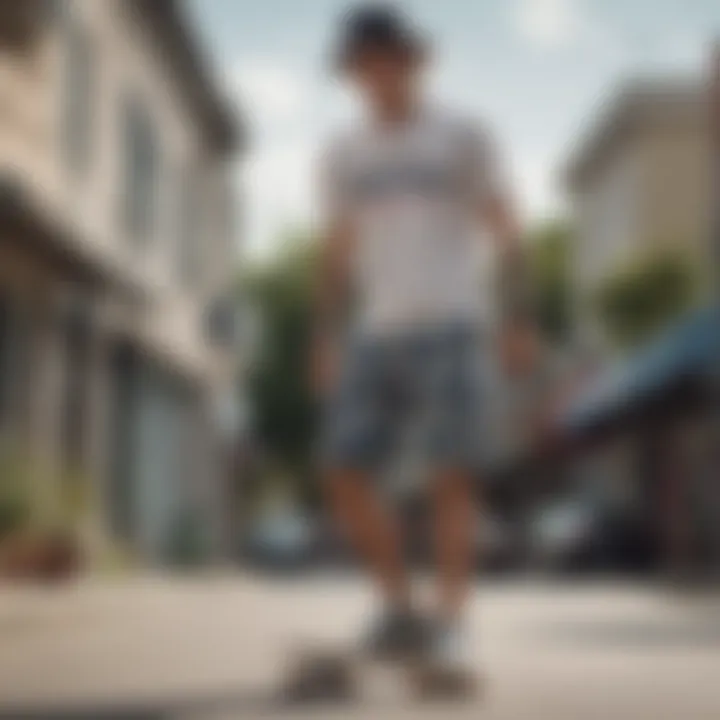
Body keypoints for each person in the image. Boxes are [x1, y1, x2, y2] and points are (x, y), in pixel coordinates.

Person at [311, 3, 528, 686]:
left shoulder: (462, 134)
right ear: (352, 73)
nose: (378, 73)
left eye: (390, 58)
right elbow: (338, 250)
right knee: (344, 471)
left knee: (449, 476)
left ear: (414, 60)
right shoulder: (343, 152)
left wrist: (518, 318)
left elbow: (505, 226)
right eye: (363, 63)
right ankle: (400, 607)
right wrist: (324, 334)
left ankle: (453, 625)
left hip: (455, 319)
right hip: (376, 330)